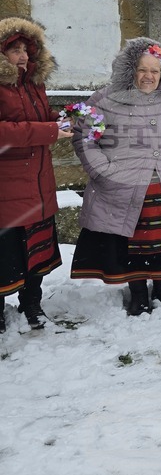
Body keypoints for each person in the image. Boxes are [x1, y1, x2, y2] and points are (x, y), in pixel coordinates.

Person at [70, 39, 161, 315]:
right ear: (130, 70)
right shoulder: (103, 100)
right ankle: (138, 293)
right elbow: (85, 139)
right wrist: (104, 172)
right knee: (134, 245)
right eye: (143, 70)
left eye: (155, 70)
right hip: (123, 187)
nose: (149, 76)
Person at [0, 19, 69, 331]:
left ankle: (32, 305)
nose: (23, 56)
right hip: (8, 187)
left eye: (26, 50)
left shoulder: (33, 84)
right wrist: (51, 130)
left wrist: (65, 118)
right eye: (15, 50)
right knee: (5, 255)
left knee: (37, 252)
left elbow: (40, 119)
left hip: (40, 183)